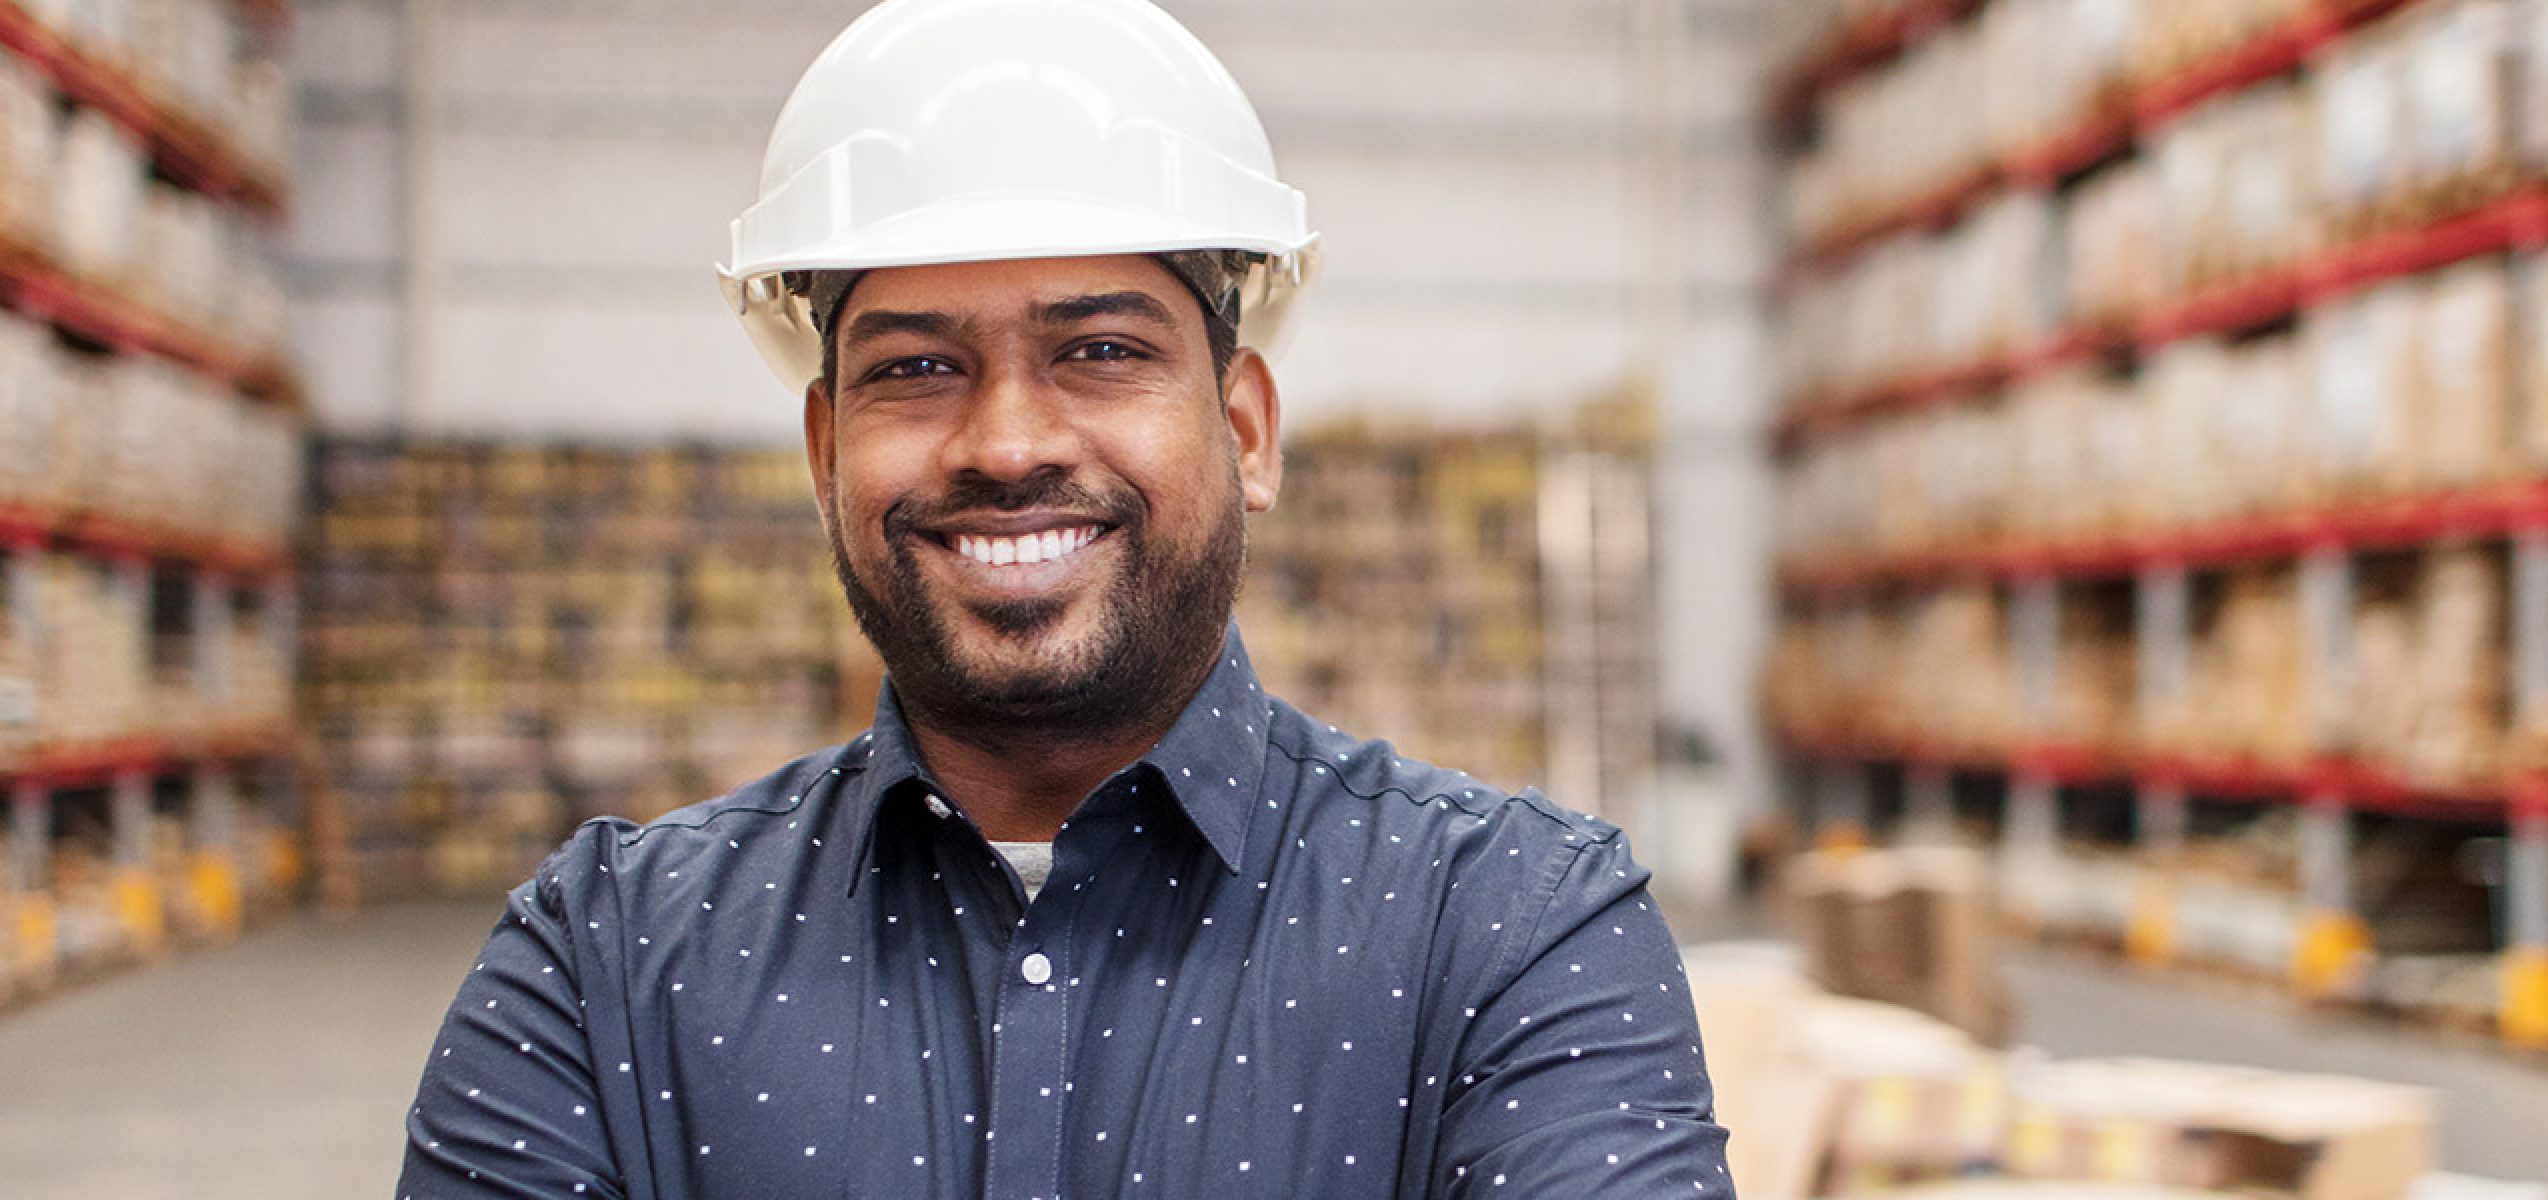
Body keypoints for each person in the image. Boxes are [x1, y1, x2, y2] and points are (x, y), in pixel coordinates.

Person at [394, 1, 1733, 1196]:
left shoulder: (1517, 930)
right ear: (824, 457)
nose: (1007, 440)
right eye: (916, 369)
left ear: (1247, 433)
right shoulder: (607, 963)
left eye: (1099, 350)